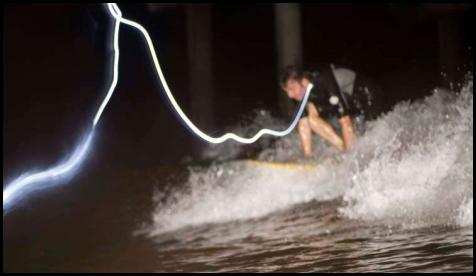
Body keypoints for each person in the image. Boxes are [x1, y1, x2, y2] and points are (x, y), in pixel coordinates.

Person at [280, 64, 381, 157]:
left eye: (292, 88)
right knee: (308, 119)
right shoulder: (302, 93)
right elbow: (303, 124)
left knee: (371, 129)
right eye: (287, 91)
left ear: (302, 81)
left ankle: (350, 154)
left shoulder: (324, 80)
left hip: (365, 93)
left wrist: (350, 160)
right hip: (346, 98)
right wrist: (307, 160)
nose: (290, 95)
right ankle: (341, 148)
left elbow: (346, 123)